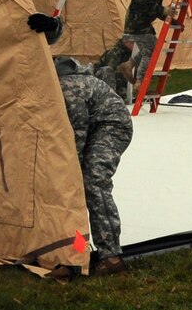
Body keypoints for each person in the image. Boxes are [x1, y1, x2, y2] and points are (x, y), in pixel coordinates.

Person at [54, 55, 134, 275]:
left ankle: (111, 256)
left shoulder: (69, 88)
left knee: (93, 181)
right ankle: (74, 246)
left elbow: (76, 136)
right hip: (93, 126)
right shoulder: (59, 84)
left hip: (112, 127)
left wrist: (70, 173)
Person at [119, 0, 175, 101]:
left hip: (140, 22)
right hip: (138, 23)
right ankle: (140, 83)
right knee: (151, 50)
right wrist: (163, 10)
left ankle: (130, 65)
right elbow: (145, 3)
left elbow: (151, 7)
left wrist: (169, 18)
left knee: (149, 48)